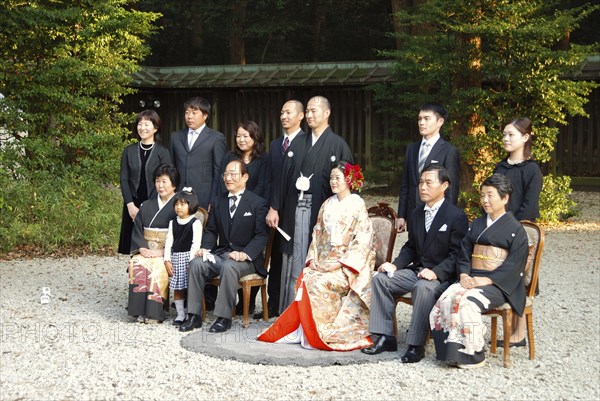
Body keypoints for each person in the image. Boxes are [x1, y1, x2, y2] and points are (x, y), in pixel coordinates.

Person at [258, 162, 374, 351]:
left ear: (349, 179)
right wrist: (314, 260)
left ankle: (323, 331)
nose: (333, 182)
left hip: (346, 263)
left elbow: (363, 239)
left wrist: (338, 264)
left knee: (318, 282)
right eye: (331, 178)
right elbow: (317, 234)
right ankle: (306, 331)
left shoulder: (357, 204)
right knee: (307, 275)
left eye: (338, 177)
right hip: (325, 260)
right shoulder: (327, 204)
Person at [361, 165, 468, 363]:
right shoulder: (417, 213)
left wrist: (436, 272)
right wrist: (396, 265)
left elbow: (457, 255)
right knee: (381, 279)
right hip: (416, 270)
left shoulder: (456, 216)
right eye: (420, 182)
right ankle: (385, 337)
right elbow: (411, 246)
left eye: (429, 182)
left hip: (441, 276)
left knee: (424, 287)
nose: (422, 187)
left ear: (444, 185)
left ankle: (416, 345)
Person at [429, 174, 529, 368]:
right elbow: (464, 252)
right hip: (472, 278)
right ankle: (451, 351)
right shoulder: (477, 224)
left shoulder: (516, 230)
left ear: (505, 198)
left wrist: (487, 280)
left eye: (490, 195)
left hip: (499, 285)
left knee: (467, 302)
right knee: (447, 298)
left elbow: (515, 265)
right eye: (482, 195)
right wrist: (464, 274)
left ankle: (473, 355)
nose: (484, 200)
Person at [266, 95, 353, 315]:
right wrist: (275, 207)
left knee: (317, 255)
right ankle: (289, 309)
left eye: (315, 111)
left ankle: (317, 311)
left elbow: (349, 181)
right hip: (294, 207)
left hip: (324, 210)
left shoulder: (337, 144)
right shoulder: (298, 142)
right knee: (292, 254)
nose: (311, 115)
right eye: (309, 111)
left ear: (327, 113)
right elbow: (282, 178)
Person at [179, 160, 269, 333]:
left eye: (233, 174)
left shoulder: (257, 203)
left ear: (245, 177)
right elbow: (211, 230)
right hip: (222, 254)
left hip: (246, 260)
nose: (228, 178)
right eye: (225, 174)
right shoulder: (219, 201)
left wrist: (245, 254)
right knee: (197, 264)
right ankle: (193, 315)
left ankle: (223, 317)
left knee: (229, 266)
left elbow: (261, 235)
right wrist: (205, 248)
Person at [493, 117, 543, 346]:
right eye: (504, 134)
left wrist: (506, 226)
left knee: (519, 279)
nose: (505, 138)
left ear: (525, 137)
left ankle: (519, 333)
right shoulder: (500, 167)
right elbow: (491, 198)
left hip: (520, 232)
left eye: (511, 134)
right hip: (496, 230)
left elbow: (529, 207)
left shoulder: (532, 170)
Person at [254, 100, 305, 319]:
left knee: (294, 255)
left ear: (301, 116)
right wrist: (269, 207)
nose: (284, 116)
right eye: (282, 112)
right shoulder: (276, 145)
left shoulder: (307, 142)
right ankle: (271, 305)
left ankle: (292, 305)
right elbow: (270, 179)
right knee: (274, 256)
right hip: (273, 210)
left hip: (296, 208)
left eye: (289, 112)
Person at [219, 120, 270, 315]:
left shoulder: (263, 159)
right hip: (232, 207)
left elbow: (265, 184)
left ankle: (248, 302)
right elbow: (221, 179)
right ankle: (233, 301)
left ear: (255, 138)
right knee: (231, 250)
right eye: (238, 136)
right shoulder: (230, 157)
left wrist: (251, 203)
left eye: (245, 136)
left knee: (252, 253)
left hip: (254, 210)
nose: (241, 139)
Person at [127, 164, 179, 323]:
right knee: (137, 263)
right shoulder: (146, 205)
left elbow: (182, 234)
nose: (160, 185)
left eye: (165, 181)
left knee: (156, 268)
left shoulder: (180, 205)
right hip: (146, 249)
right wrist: (141, 247)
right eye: (157, 181)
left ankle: (154, 313)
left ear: (174, 184)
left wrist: (163, 252)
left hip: (167, 252)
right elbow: (138, 229)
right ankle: (138, 310)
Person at [397, 103, 460, 232]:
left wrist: (447, 217)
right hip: (413, 212)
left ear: (440, 121)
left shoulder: (449, 150)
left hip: (437, 212)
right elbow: (406, 184)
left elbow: (451, 188)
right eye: (419, 119)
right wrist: (401, 215)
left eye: (427, 118)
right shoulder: (412, 148)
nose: (421, 123)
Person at [118, 110, 171, 254]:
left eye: (147, 124)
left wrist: (153, 205)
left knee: (153, 245)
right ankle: (135, 275)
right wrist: (129, 205)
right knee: (134, 246)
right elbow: (124, 179)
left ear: (155, 128)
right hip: (132, 204)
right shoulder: (128, 151)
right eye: (140, 124)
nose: (142, 127)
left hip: (155, 203)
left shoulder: (163, 152)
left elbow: (166, 180)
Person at [168, 96, 227, 210]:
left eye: (194, 113)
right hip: (178, 196)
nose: (189, 116)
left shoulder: (216, 138)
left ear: (205, 116)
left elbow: (219, 171)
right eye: (187, 112)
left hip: (204, 196)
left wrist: (214, 199)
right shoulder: (175, 137)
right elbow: (171, 167)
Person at [163, 188, 203, 326]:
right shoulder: (173, 223)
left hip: (189, 259)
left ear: (190, 205)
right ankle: (180, 314)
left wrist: (191, 262)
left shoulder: (195, 223)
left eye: (182, 204)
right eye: (176, 204)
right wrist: (167, 259)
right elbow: (169, 242)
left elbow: (195, 244)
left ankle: (191, 312)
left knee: (190, 288)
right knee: (178, 288)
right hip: (176, 258)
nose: (178, 207)